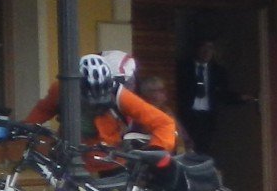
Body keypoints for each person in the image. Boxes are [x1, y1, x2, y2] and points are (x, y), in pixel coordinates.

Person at [26, 51, 178, 176]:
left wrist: (156, 150)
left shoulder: (120, 95)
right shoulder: (61, 90)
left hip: (111, 162)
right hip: (71, 158)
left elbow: (163, 122)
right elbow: (43, 110)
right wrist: (24, 128)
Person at [178, 40, 238, 156]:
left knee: (204, 147)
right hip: (188, 114)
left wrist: (239, 98)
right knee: (187, 147)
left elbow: (223, 93)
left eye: (210, 48)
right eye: (203, 48)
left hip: (208, 116)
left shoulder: (218, 71)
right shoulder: (184, 67)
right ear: (197, 49)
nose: (206, 52)